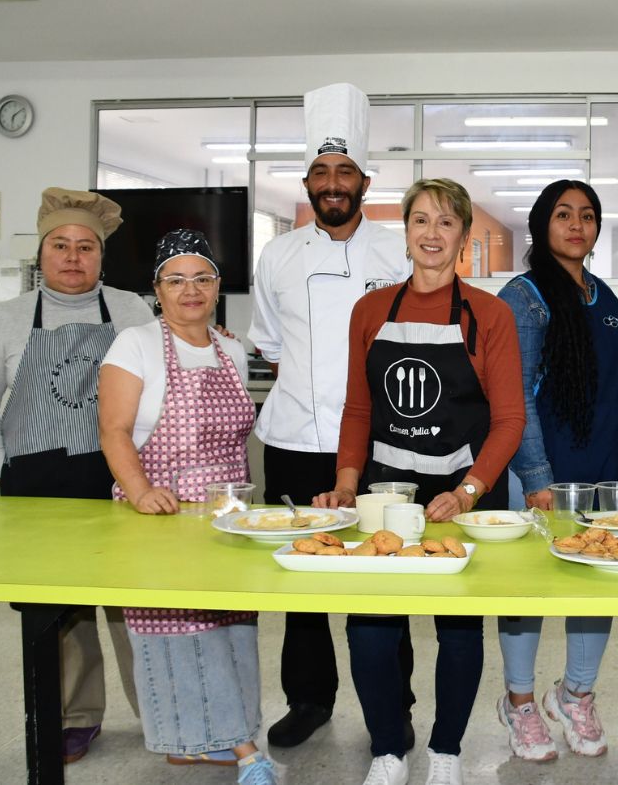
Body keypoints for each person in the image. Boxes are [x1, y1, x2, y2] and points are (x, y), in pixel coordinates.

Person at [315, 178, 524, 785]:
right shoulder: (370, 311)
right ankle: (386, 749)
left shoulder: (489, 314)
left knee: (458, 629)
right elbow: (359, 410)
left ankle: (447, 751)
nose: (432, 234)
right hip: (387, 495)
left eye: (446, 222)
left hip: (463, 493)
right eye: (421, 221)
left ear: (464, 236)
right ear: (405, 231)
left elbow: (510, 420)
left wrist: (469, 491)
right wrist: (347, 485)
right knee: (371, 628)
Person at [0, 187, 152, 763]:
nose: (72, 256)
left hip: (117, 481)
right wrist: (2, 470)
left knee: (137, 606)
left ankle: (161, 714)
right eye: (60, 245)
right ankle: (73, 717)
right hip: (37, 488)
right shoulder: (9, 318)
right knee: (59, 615)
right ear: (40, 254)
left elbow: (160, 389)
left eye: (85, 246)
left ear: (101, 257)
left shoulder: (131, 311)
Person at [248, 82, 410, 749]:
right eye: (322, 171)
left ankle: (393, 706)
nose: (333, 183)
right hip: (293, 438)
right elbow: (271, 343)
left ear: (365, 182)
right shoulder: (278, 255)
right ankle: (309, 699)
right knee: (301, 575)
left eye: (345, 171)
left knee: (385, 576)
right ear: (307, 183)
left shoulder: (398, 253)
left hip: (379, 444)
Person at [98, 230, 276, 783]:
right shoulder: (135, 344)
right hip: (164, 517)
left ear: (219, 286)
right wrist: (140, 490)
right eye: (176, 280)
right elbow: (114, 430)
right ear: (157, 290)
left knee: (230, 629)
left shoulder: (231, 349)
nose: (190, 290)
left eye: (202, 278)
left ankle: (213, 740)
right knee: (184, 633)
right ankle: (242, 751)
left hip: (227, 518)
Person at [494, 180, 618, 761]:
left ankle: (575, 693)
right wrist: (536, 477)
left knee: (597, 585)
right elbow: (515, 396)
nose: (576, 225)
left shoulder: (606, 296)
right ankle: (520, 701)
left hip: (600, 469)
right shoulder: (523, 298)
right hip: (540, 474)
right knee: (527, 590)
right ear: (541, 224)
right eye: (563, 214)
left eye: (587, 215)